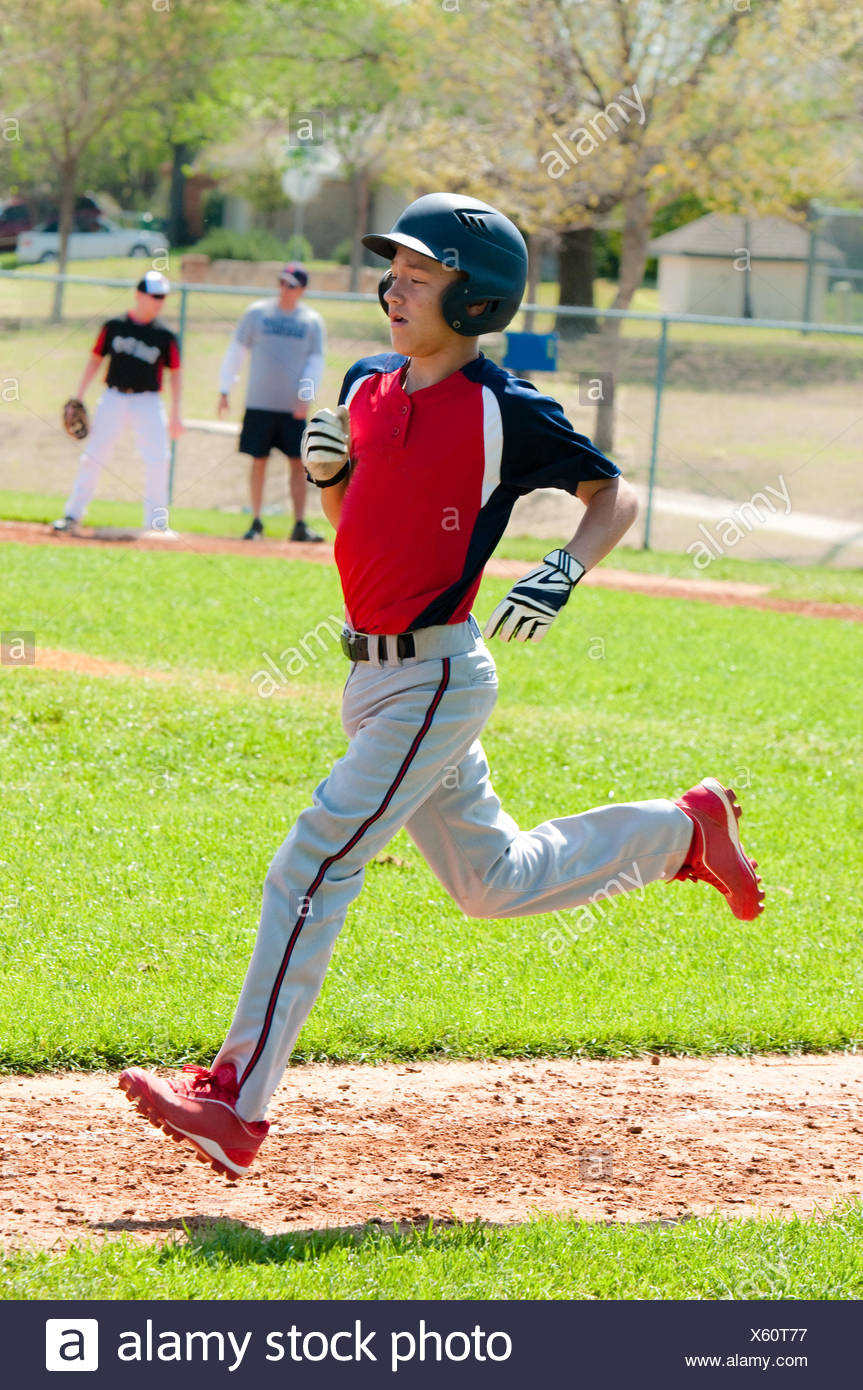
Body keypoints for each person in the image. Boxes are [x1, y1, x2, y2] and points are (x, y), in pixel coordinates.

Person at [119, 193, 763, 1179]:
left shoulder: (503, 407)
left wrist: (564, 566)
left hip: (435, 677)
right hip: (375, 680)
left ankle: (235, 1102)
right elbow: (353, 530)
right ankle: (682, 831)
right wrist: (328, 473)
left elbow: (612, 490)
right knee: (492, 882)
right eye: (394, 271)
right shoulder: (366, 381)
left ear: (474, 300)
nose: (394, 287)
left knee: (311, 863)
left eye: (421, 275)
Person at [52, 270, 183, 537]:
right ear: (139, 295)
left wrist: (176, 415)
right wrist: (78, 395)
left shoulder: (165, 336)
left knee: (159, 459)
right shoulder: (114, 326)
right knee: (93, 456)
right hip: (113, 398)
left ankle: (156, 523)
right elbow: (95, 360)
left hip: (148, 401)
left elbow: (176, 375)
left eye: (163, 297)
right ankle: (72, 515)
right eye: (155, 295)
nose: (160, 301)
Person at [217, 261, 325, 542]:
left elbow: (315, 363)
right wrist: (225, 389)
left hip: (293, 409)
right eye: (282, 283)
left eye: (291, 285)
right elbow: (236, 351)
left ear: (302, 289)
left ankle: (299, 525)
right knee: (258, 461)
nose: (285, 289)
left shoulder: (311, 322)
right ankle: (255, 522)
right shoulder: (257, 314)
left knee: (297, 464)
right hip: (259, 403)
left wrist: (305, 397)